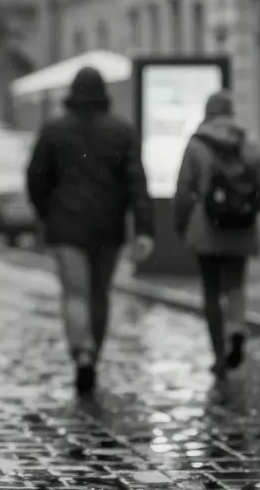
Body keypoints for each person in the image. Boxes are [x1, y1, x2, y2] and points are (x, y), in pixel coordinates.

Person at [25, 66, 154, 397]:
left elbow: (36, 178)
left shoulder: (54, 130)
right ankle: (93, 355)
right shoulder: (121, 131)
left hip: (66, 226)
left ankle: (81, 352)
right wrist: (144, 228)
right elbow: (137, 183)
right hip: (108, 227)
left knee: (75, 293)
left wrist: (47, 213)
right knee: (100, 293)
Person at [173, 90, 260, 377]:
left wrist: (180, 224)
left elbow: (183, 190)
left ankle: (219, 354)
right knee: (235, 283)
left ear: (207, 112)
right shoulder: (248, 141)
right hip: (242, 226)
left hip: (207, 227)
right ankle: (236, 328)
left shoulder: (196, 144)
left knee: (211, 290)